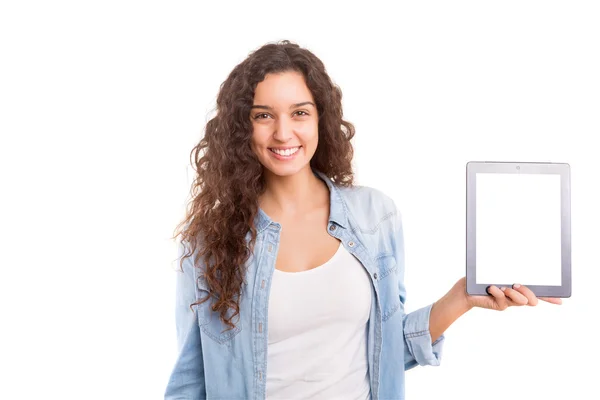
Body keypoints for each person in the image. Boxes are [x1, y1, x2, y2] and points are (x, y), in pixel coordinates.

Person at [163, 40, 562, 400]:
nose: (284, 132)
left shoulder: (375, 217)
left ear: (320, 118)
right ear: (240, 127)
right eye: (263, 115)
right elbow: (190, 381)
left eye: (299, 112)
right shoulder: (207, 241)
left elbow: (386, 351)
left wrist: (460, 298)